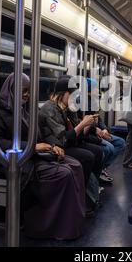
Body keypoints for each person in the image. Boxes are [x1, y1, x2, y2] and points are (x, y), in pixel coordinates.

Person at [0, 73, 85, 240]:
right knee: (63, 173)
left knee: (75, 165)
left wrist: (54, 146)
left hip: (34, 156)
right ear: (12, 90)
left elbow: (42, 133)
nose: (27, 95)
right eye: (23, 91)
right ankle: (44, 226)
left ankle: (71, 223)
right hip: (15, 162)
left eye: (29, 91)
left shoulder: (28, 110)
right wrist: (31, 147)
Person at [38, 75, 104, 211]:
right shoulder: (49, 109)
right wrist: (82, 125)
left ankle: (88, 191)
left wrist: (87, 124)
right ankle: (80, 195)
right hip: (57, 146)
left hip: (70, 143)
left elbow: (76, 135)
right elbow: (63, 139)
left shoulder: (68, 108)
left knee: (98, 151)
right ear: (63, 94)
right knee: (87, 157)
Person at [85, 78, 126, 183]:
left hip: (98, 132)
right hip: (90, 135)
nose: (97, 90)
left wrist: (104, 129)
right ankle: (97, 171)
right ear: (89, 90)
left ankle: (101, 168)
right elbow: (85, 124)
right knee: (109, 148)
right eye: (95, 88)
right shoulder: (82, 104)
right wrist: (98, 131)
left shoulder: (94, 102)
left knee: (120, 143)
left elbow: (99, 120)